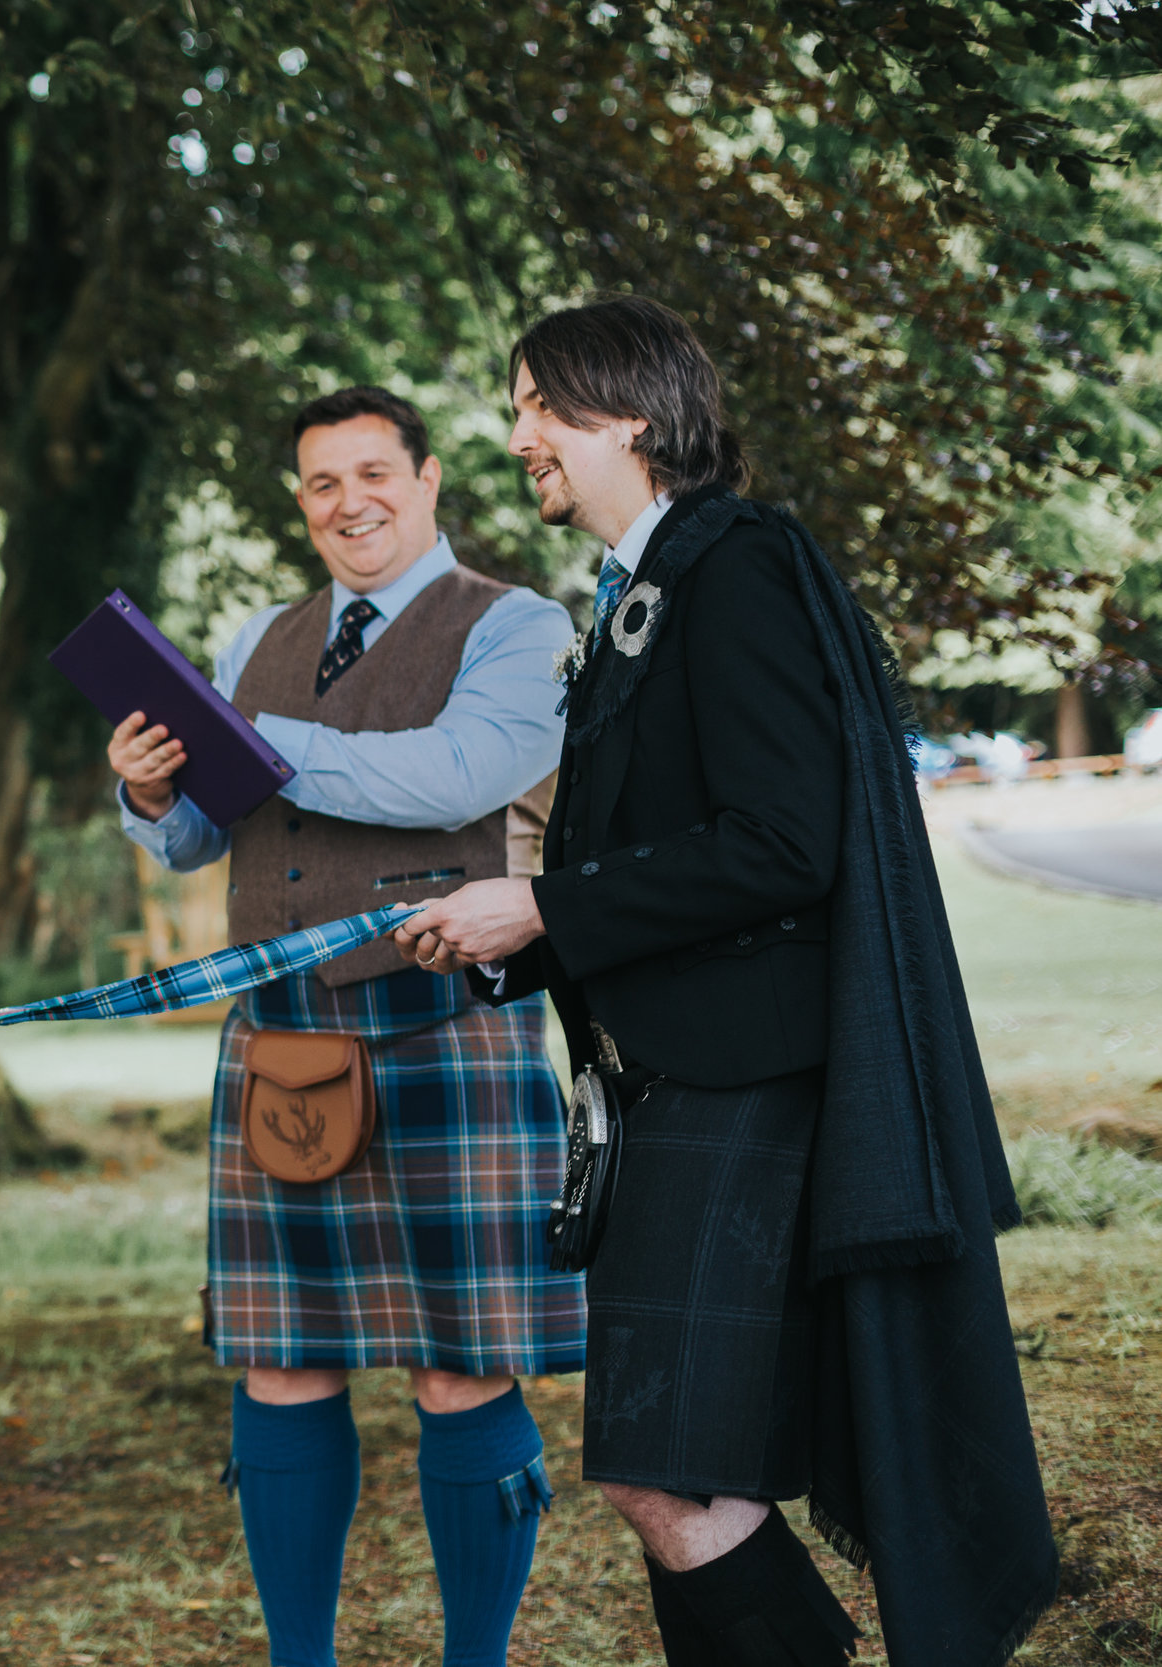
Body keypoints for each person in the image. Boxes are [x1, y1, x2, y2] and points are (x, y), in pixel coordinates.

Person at [395, 295, 1055, 1665]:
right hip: (687, 1081)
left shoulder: (734, 565)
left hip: (742, 1081)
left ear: (629, 412)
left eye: (538, 403)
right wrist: (520, 923)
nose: (517, 433)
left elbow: (783, 841)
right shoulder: (648, 584)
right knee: (676, 1474)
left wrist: (543, 903)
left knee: (670, 1472)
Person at [107, 386, 580, 1667]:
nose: (349, 501)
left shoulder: (520, 624)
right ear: (299, 501)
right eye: (322, 482)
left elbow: (455, 776)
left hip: (447, 1029)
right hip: (282, 1039)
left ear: (427, 480)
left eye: (375, 472)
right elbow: (206, 830)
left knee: (460, 1366)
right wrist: (153, 787)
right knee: (281, 1359)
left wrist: (246, 738)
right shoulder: (260, 630)